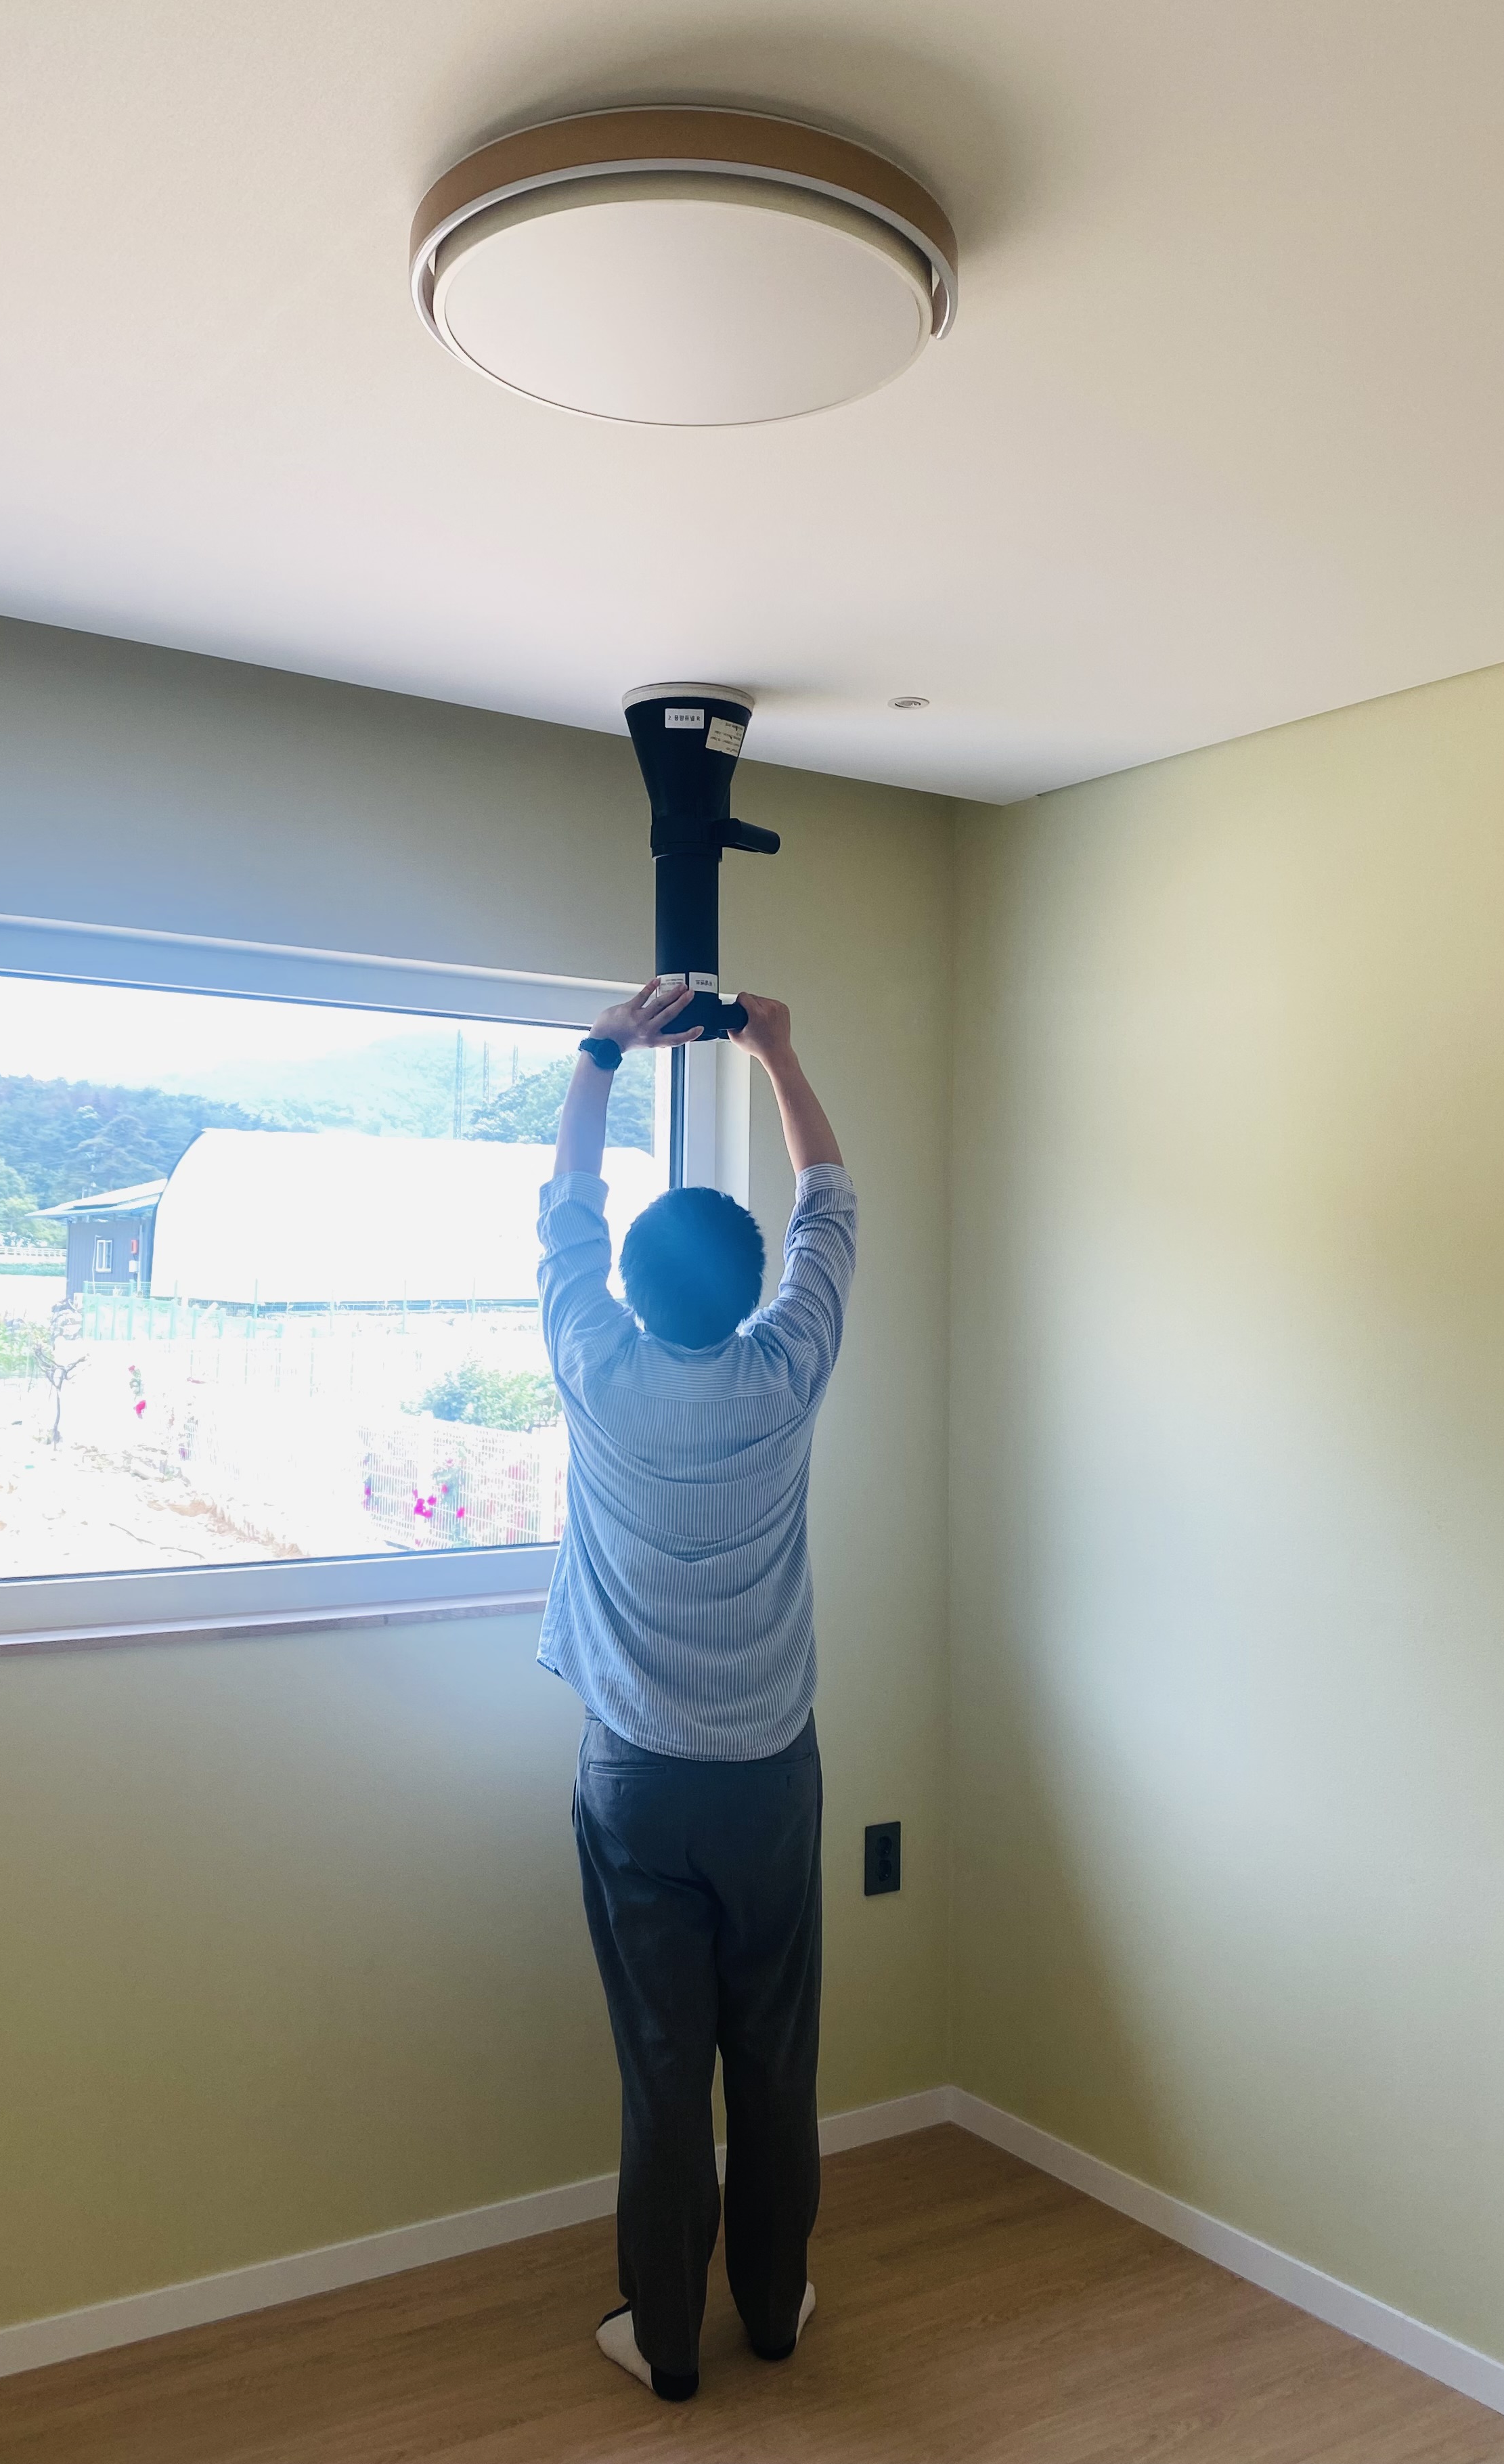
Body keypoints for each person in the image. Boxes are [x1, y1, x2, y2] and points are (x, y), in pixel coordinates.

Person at [535, 978, 856, 2404]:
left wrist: (602, 1055)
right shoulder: (785, 1372)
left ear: (632, 1292)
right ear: (748, 1296)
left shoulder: (596, 1367)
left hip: (635, 1780)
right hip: (769, 1776)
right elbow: (829, 1211)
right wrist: (777, 1054)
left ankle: (665, 2343)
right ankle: (774, 2313)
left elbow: (565, 1213)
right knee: (774, 2055)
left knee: (664, 2066)